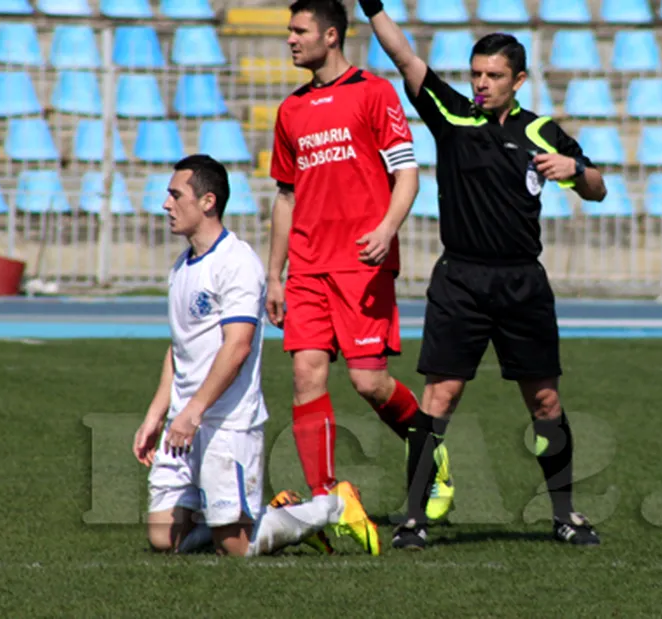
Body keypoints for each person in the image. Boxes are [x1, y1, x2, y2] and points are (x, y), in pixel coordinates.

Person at [360, 0, 609, 549]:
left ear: (518, 80)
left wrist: (577, 170)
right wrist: (371, 7)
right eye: (476, 74)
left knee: (544, 402)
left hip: (522, 282)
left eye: (494, 76)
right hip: (461, 281)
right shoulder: (453, 116)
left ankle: (565, 514)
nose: (481, 84)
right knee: (439, 398)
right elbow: (403, 56)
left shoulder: (543, 131)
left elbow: (598, 189)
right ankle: (414, 519)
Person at [132, 154, 380, 557]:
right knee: (163, 539)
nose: (166, 204)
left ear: (208, 201)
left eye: (176, 195)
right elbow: (178, 348)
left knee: (237, 548)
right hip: (184, 421)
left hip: (225, 423)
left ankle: (330, 506)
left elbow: (238, 346)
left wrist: (194, 411)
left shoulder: (238, 263)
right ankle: (265, 514)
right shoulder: (181, 266)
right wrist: (156, 414)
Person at [266, 0, 454, 522]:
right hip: (306, 266)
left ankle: (431, 452)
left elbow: (408, 173)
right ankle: (327, 502)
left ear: (330, 36)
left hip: (360, 264)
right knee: (306, 376)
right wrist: (273, 276)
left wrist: (386, 229)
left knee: (369, 382)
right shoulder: (291, 111)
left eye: (299, 30)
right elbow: (285, 197)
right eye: (289, 30)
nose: (290, 39)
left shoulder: (374, 92)